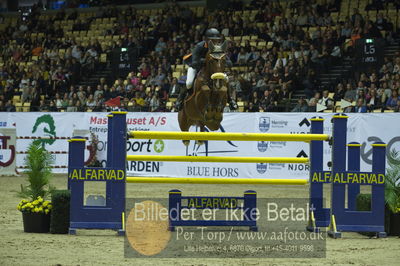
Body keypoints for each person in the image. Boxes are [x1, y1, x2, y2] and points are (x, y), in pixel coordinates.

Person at [175, 28, 237, 111]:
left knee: (226, 80)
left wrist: (225, 61)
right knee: (189, 82)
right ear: (207, 39)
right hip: (196, 67)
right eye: (213, 40)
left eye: (217, 40)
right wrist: (207, 61)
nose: (215, 42)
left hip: (214, 68)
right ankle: (180, 100)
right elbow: (195, 62)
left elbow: (229, 62)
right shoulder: (200, 46)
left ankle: (231, 100)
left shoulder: (219, 48)